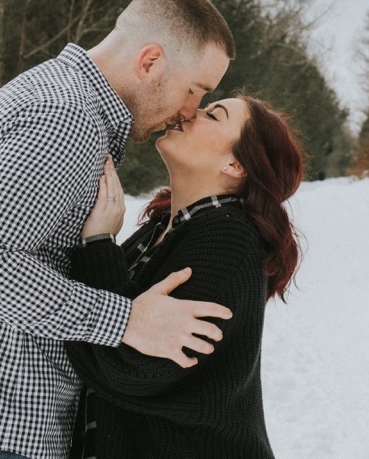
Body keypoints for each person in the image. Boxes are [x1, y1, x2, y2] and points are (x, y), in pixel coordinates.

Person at [0, 0, 239, 459]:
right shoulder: (67, 119)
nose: (189, 113)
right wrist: (126, 320)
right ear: (150, 61)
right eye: (195, 90)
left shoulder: (43, 91)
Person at [65, 94, 304, 459]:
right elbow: (100, 330)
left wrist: (98, 245)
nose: (191, 111)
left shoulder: (229, 237)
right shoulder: (160, 231)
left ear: (235, 164)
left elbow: (133, 368)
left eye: (213, 115)